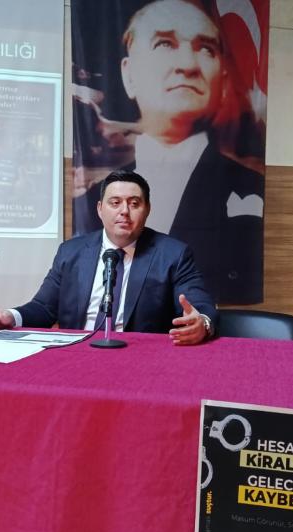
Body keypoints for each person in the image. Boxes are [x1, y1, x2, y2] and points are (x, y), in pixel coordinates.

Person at [73, 0, 265, 304]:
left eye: (206, 49)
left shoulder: (250, 192)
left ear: (224, 79)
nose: (187, 65)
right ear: (129, 75)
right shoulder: (89, 202)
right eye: (164, 44)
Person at [0, 170, 217, 345]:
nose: (124, 211)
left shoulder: (173, 254)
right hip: (77, 354)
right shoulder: (71, 252)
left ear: (147, 210)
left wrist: (202, 323)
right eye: (115, 203)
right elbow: (44, 308)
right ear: (100, 209)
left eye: (134, 203)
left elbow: (200, 306)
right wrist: (10, 317)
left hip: (141, 358)